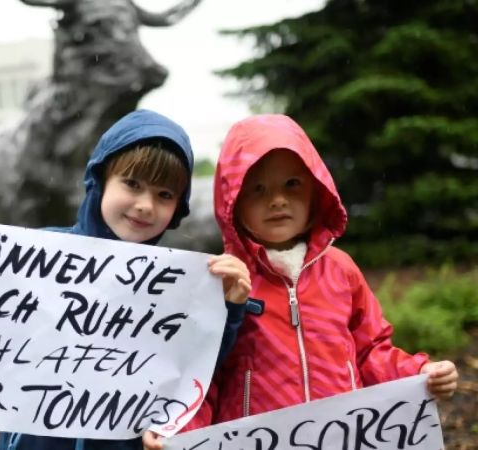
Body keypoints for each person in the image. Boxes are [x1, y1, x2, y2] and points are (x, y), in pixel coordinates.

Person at [0, 109, 252, 450]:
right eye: (132, 184)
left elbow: (194, 365)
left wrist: (229, 305)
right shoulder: (38, 257)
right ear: (101, 180)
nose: (145, 205)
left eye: (164, 195)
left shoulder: (183, 285)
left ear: (179, 208)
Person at [142, 114, 459, 450]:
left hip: (343, 437)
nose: (277, 199)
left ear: (316, 191)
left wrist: (420, 372)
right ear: (233, 203)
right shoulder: (224, 281)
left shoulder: (341, 270)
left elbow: (370, 350)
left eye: (292, 184)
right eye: (258, 189)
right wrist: (178, 430)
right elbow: (203, 375)